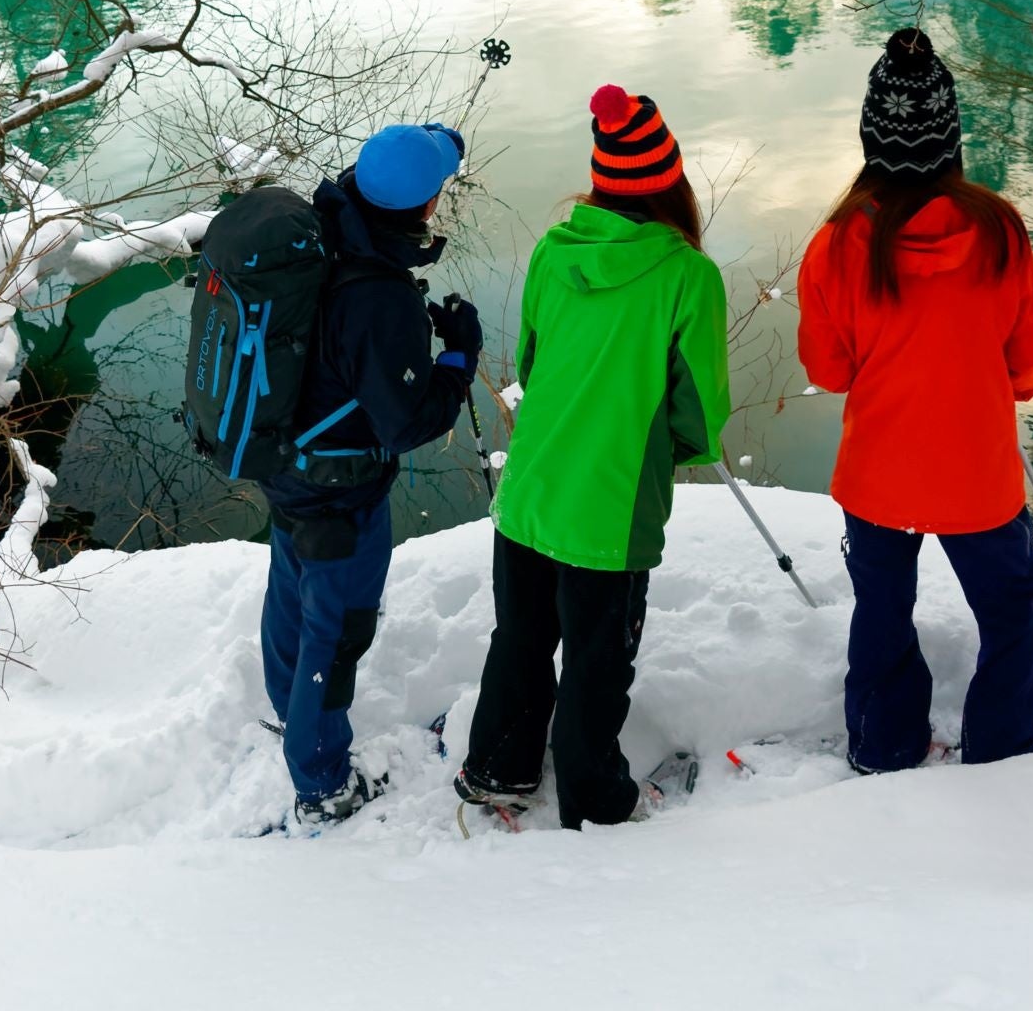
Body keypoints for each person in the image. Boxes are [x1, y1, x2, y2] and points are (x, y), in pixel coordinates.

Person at [455, 86, 729, 828]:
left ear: (602, 178)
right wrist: (664, 453)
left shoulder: (552, 249)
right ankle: (597, 798)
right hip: (610, 506)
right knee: (597, 660)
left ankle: (496, 771)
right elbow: (699, 411)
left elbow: (535, 366)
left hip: (531, 486)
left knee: (521, 638)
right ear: (671, 180)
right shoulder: (687, 275)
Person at [797, 27, 1033, 773]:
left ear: (871, 139)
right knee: (1013, 608)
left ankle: (884, 745)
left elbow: (831, 370)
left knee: (881, 615)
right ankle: (1003, 750)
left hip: (877, 479)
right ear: (951, 139)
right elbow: (1028, 372)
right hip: (979, 477)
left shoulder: (839, 242)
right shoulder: (998, 230)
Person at [263, 121, 482, 827]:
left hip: (283, 463)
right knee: (338, 629)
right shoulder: (376, 295)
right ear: (423, 206)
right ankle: (322, 783)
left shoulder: (322, 228)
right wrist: (458, 358)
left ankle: (294, 723)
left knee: (293, 601)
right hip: (341, 488)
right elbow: (410, 423)